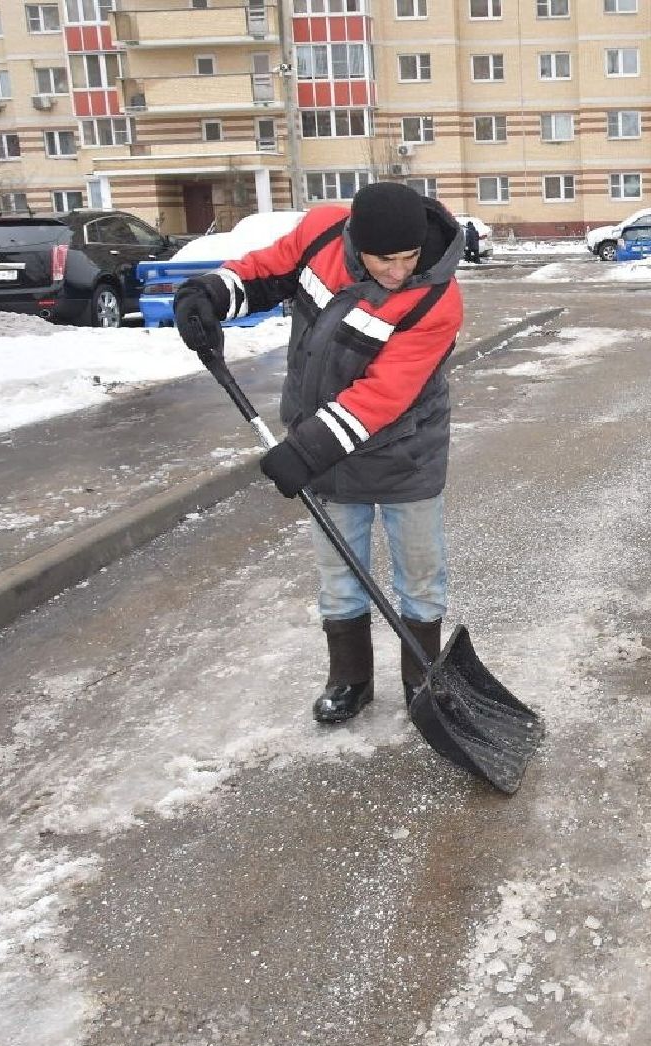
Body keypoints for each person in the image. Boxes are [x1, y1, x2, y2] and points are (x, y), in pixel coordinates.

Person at [173, 183, 465, 724]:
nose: (398, 272)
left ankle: (422, 681)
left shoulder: (436, 299)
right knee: (338, 573)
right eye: (386, 260)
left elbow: (383, 395)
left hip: (405, 450)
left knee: (420, 575)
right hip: (328, 450)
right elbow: (266, 271)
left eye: (409, 258)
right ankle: (350, 678)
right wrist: (210, 294)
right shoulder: (323, 232)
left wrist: (303, 451)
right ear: (357, 242)